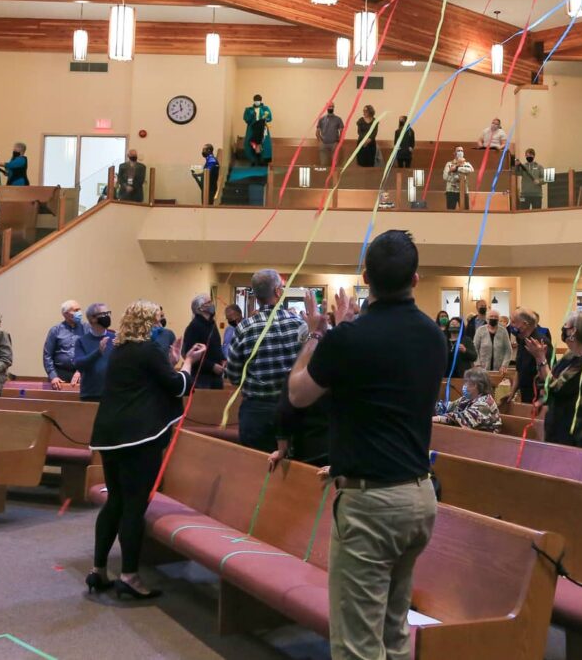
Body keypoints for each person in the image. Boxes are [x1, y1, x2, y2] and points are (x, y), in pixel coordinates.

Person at [286, 230, 445, 660]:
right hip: (418, 496)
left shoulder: (347, 338)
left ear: (364, 278)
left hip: (372, 503)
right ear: (416, 279)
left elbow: (299, 394)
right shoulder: (435, 335)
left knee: (357, 645)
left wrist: (316, 334)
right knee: (394, 632)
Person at [88, 299, 207, 601]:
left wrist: (175, 359)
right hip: (138, 437)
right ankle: (129, 575)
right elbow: (177, 386)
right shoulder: (148, 349)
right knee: (134, 504)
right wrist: (189, 363)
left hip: (109, 434)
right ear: (149, 322)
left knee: (115, 500)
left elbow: (151, 381)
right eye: (158, 319)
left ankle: (99, 570)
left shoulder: (119, 350)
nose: (161, 325)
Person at [225, 269, 308, 452]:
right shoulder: (299, 324)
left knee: (254, 470)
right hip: (292, 410)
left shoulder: (244, 328)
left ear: (255, 295)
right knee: (293, 472)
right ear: (278, 292)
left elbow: (233, 375)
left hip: (256, 412)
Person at [535, 310, 582, 448]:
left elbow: (556, 387)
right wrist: (542, 398)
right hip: (556, 422)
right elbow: (549, 378)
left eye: (566, 325)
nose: (563, 328)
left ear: (573, 331)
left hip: (572, 428)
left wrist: (541, 359)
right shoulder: (571, 355)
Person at [510, 309, 554, 406]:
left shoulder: (542, 342)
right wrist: (512, 392)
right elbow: (519, 369)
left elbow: (548, 374)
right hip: (526, 395)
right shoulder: (523, 340)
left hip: (539, 398)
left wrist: (542, 399)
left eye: (513, 322)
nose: (511, 325)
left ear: (524, 324)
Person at [435, 368, 501, 431]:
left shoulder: (485, 404)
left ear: (475, 385)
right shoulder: (467, 398)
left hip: (486, 440)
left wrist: (439, 418)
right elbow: (449, 406)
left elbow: (462, 418)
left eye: (466, 382)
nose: (464, 385)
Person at [181, 294, 225, 389]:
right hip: (201, 379)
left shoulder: (211, 323)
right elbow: (189, 354)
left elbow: (216, 346)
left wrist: (222, 358)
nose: (212, 304)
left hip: (215, 378)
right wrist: (212, 366)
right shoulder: (194, 327)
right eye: (208, 302)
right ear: (200, 308)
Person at [73, 302, 114, 402]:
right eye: (104, 314)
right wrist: (98, 352)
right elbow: (79, 364)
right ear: (93, 319)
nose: (107, 317)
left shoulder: (115, 338)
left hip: (112, 393)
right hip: (90, 394)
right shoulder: (81, 341)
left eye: (108, 313)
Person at [43, 300, 85, 389]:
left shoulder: (87, 329)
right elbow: (47, 355)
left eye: (79, 310)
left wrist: (81, 371)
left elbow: (90, 352)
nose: (79, 313)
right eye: (76, 310)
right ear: (65, 314)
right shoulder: (55, 330)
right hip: (60, 374)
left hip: (80, 373)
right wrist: (53, 376)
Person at [473, 308, 512, 377]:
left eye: (496, 317)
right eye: (491, 317)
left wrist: (504, 365)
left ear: (498, 319)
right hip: (482, 368)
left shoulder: (503, 331)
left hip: (499, 369)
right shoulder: (480, 330)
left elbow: (508, 350)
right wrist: (477, 364)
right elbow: (475, 348)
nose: (493, 318)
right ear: (487, 319)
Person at [441, 147, 473, 211]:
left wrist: (457, 168)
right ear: (454, 153)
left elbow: (471, 170)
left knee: (465, 211)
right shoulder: (449, 164)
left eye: (462, 150)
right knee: (450, 211)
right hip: (451, 191)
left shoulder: (467, 164)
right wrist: (455, 178)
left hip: (463, 191)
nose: (460, 152)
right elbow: (445, 176)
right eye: (458, 151)